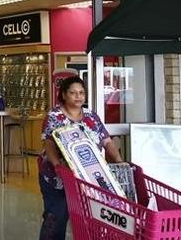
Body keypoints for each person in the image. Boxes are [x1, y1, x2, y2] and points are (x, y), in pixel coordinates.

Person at [38, 76, 123, 240]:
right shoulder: (54, 116)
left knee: (86, 219)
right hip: (57, 178)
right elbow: (48, 143)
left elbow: (106, 141)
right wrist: (57, 165)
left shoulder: (91, 116)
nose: (78, 96)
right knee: (56, 216)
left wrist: (119, 161)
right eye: (73, 93)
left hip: (88, 179)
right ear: (63, 94)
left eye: (81, 93)